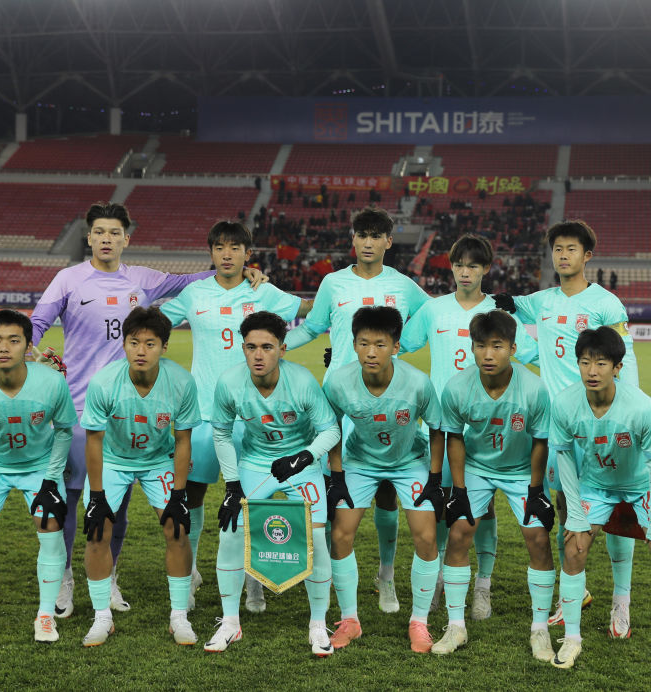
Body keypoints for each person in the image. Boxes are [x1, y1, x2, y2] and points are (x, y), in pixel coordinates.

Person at [29, 201, 265, 619]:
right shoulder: (69, 279)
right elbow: (38, 321)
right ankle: (65, 578)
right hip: (79, 407)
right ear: (89, 237)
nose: (106, 239)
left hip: (128, 406)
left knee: (116, 504)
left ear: (126, 238)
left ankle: (109, 577)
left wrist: (240, 271)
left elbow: (190, 280)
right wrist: (31, 352)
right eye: (99, 232)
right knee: (72, 498)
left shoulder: (143, 279)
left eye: (114, 232)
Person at [160, 221, 312, 614]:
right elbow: (155, 323)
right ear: (211, 252)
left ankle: (253, 581)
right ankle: (189, 573)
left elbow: (309, 312)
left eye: (235, 247)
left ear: (248, 253)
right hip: (202, 414)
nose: (227, 254)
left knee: (250, 497)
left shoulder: (264, 291)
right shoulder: (194, 293)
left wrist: (288, 344)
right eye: (219, 247)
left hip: (252, 416)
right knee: (191, 495)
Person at [285, 206, 429, 613]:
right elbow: (313, 327)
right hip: (339, 396)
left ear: (388, 241)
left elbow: (429, 316)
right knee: (334, 487)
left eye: (375, 236)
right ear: (353, 239)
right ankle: (333, 575)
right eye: (361, 235)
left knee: (386, 492)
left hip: (385, 396)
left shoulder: (403, 285)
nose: (367, 242)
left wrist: (404, 347)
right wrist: (280, 347)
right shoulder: (333, 283)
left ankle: (386, 576)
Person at [506, 220, 640, 637]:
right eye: (558, 249)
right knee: (566, 507)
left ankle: (621, 602)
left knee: (616, 511)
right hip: (558, 423)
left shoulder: (606, 303)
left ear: (587, 256)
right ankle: (573, 595)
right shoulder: (541, 301)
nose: (563, 256)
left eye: (571, 249)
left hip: (600, 420)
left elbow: (626, 360)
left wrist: (626, 415)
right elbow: (508, 304)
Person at [399, 234, 538, 620]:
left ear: (485, 269)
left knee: (485, 508)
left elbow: (532, 354)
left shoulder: (500, 312)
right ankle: (442, 576)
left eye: (473, 265)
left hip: (488, 426)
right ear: (451, 266)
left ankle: (483, 585)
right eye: (459, 264)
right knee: (442, 504)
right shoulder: (433, 310)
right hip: (442, 426)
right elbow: (398, 344)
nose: (465, 272)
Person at [549, 326, 651, 679]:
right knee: (574, 549)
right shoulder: (565, 404)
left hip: (642, 486)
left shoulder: (640, 406)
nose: (592, 371)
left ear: (617, 367)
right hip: (596, 486)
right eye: (585, 362)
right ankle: (572, 639)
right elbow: (564, 456)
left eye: (601, 363)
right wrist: (575, 515)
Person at [204, 312, 341, 656]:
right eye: (251, 347)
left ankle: (317, 624)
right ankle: (230, 623)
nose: (258, 355)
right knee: (230, 531)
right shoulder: (230, 382)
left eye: (267, 347)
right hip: (255, 463)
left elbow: (330, 430)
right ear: (243, 348)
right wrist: (232, 485)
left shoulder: (302, 381)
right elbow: (221, 433)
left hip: (301, 465)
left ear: (282, 349)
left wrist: (305, 457)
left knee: (316, 538)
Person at [433, 311, 556, 660]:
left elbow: (541, 441)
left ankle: (540, 630)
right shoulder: (457, 387)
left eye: (497, 346)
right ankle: (456, 626)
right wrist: (458, 490)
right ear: (472, 347)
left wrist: (536, 490)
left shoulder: (533, 388)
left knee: (538, 538)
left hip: (521, 471)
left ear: (513, 348)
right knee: (459, 533)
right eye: (481, 346)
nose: (488, 354)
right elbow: (454, 437)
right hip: (477, 467)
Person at [322, 307, 445, 653]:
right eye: (364, 343)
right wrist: (337, 475)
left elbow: (437, 429)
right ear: (354, 344)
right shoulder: (339, 381)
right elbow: (330, 426)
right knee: (340, 534)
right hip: (360, 462)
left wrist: (435, 478)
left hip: (409, 462)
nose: (371, 352)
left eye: (380, 344)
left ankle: (419, 622)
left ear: (396, 346)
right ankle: (350, 620)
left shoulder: (417, 383)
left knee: (426, 536)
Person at [0, 310, 77, 643]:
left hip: (40, 466)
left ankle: (46, 617)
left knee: (50, 522)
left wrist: (51, 479)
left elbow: (64, 431)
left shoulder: (52, 383)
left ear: (28, 345)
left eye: (13, 340)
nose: (4, 347)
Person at [79, 307, 200, 647]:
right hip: (113, 460)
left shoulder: (181, 382)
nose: (141, 351)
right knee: (97, 530)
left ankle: (179, 617)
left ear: (164, 346)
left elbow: (183, 440)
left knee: (178, 527)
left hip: (158, 461)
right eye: (134, 343)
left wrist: (179, 494)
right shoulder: (104, 382)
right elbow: (93, 440)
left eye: (150, 343)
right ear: (124, 345)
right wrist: (97, 497)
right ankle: (102, 617)